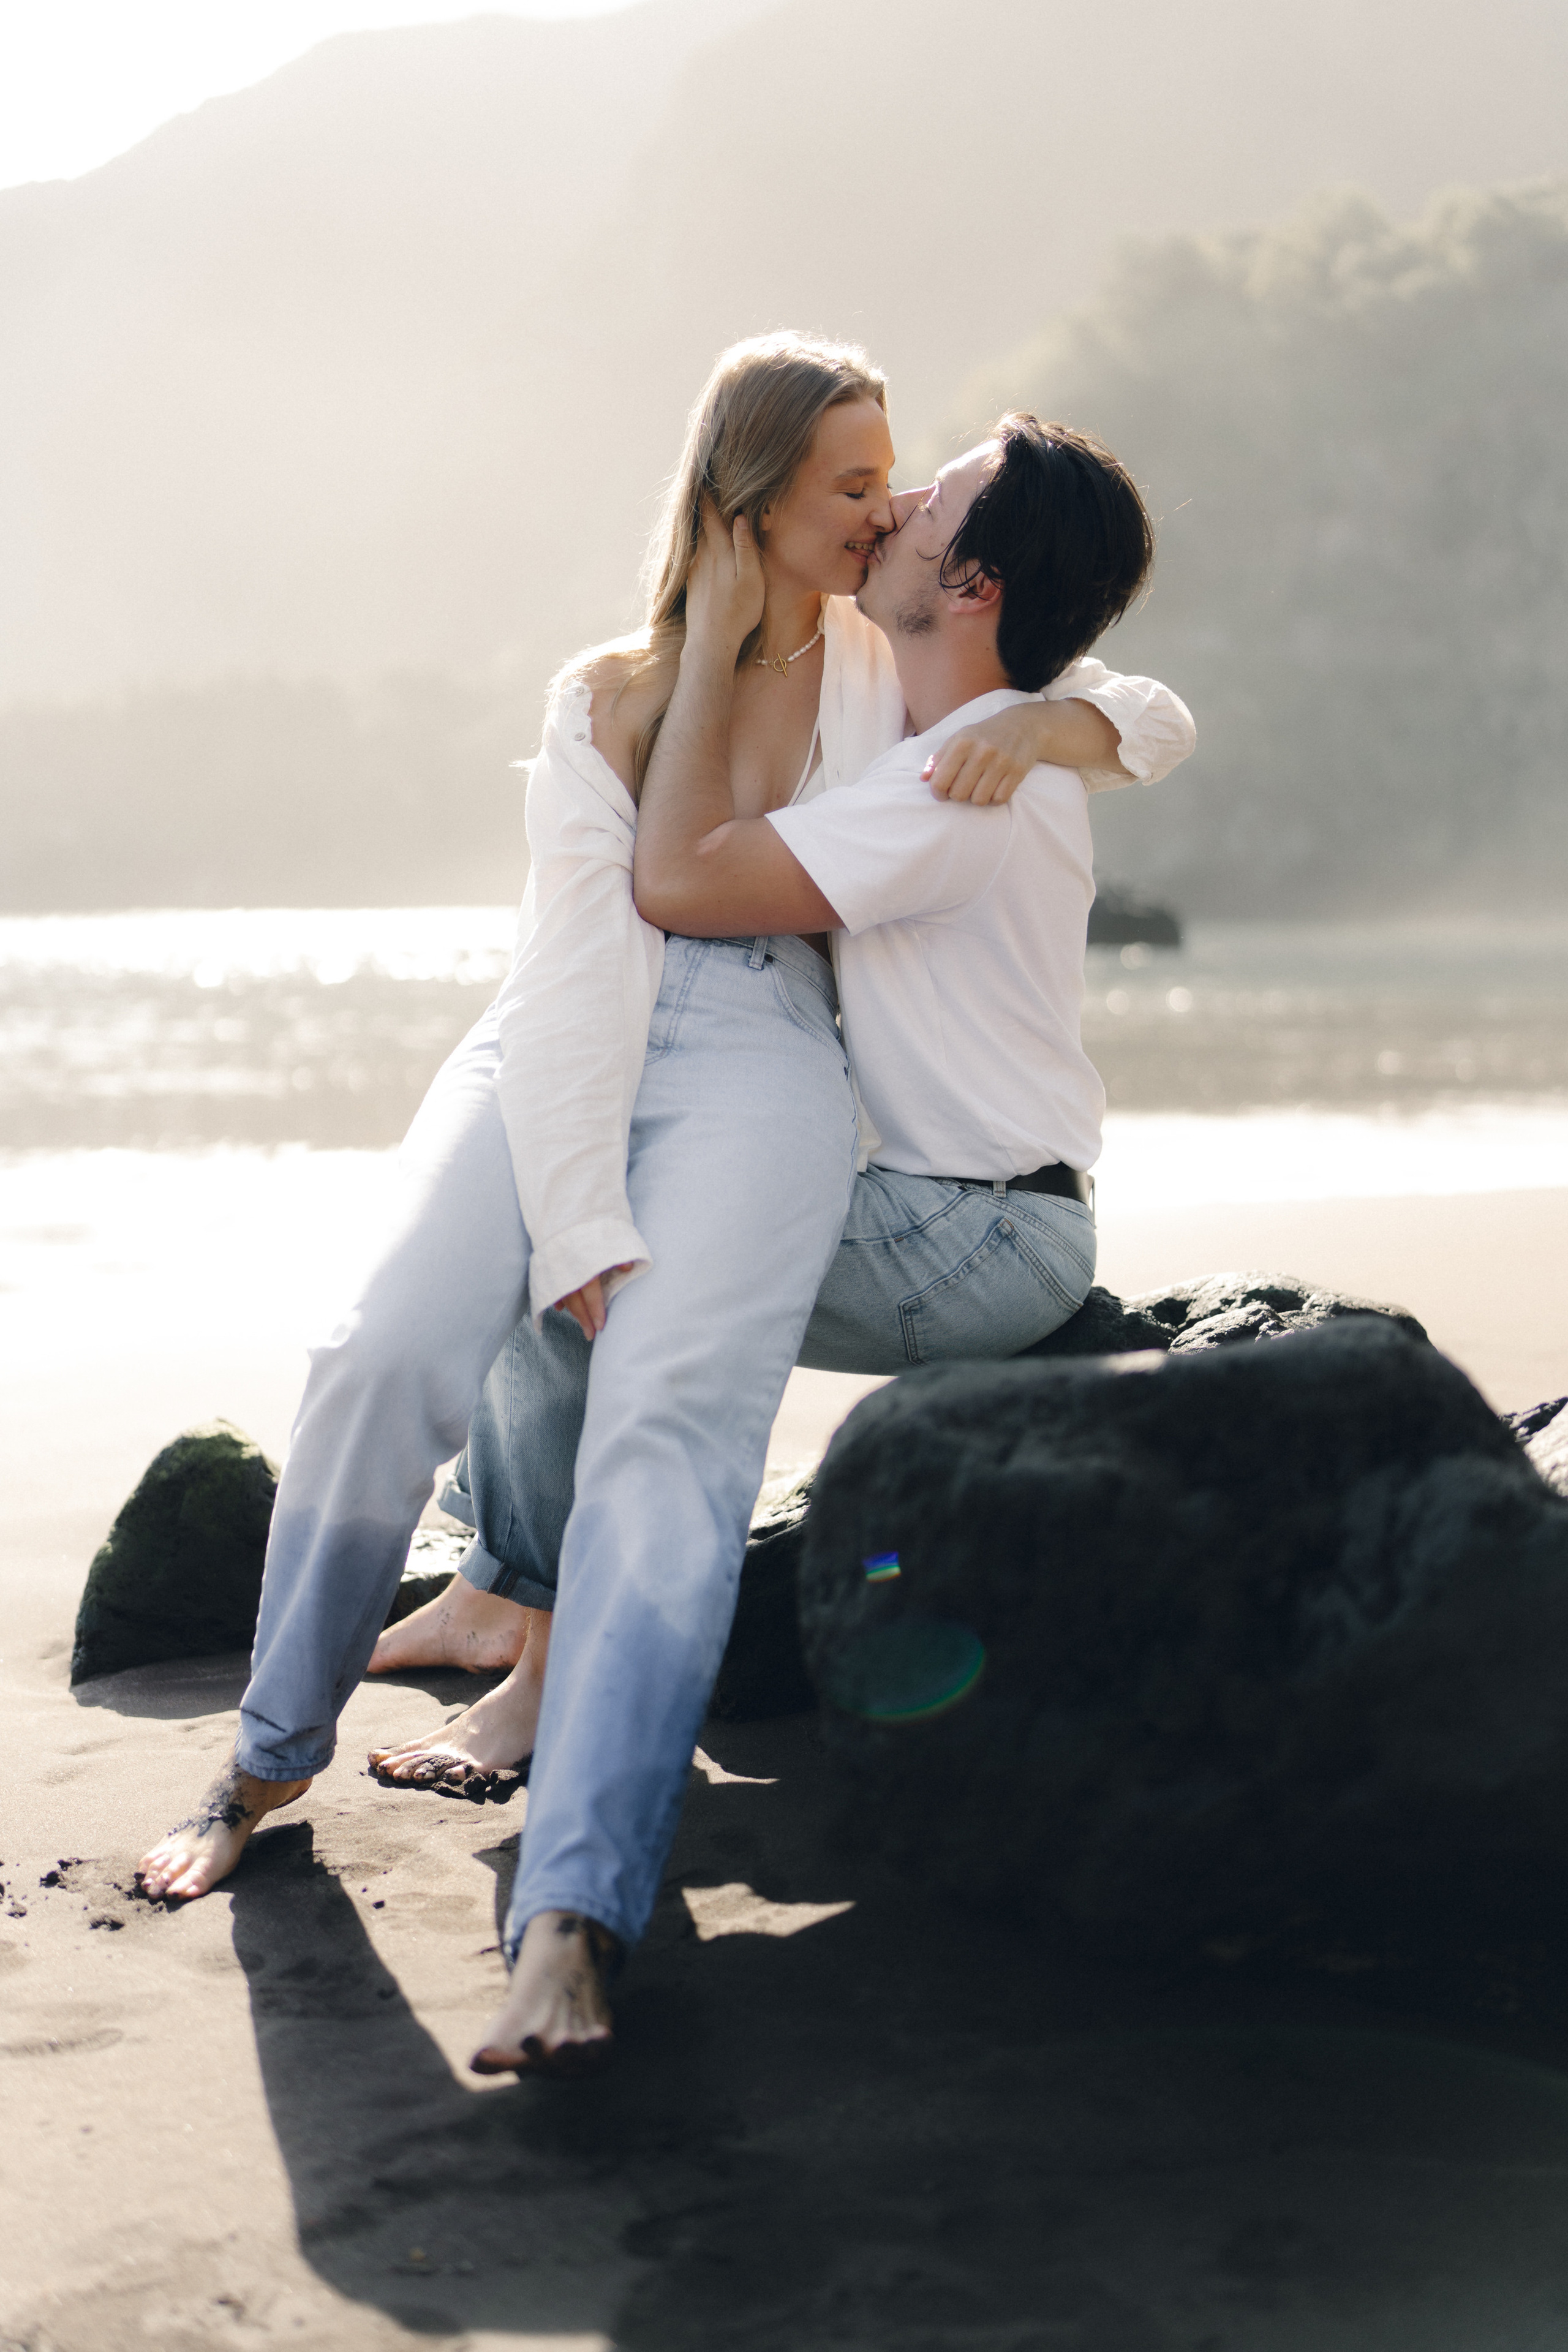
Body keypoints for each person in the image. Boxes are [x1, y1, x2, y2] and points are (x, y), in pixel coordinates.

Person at [133, 338, 1182, 2046]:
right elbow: (579, 974)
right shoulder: (602, 692)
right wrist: (574, 1201)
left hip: (770, 1056)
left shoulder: (879, 670)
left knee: (675, 1424)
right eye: (857, 482)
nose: (892, 506)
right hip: (561, 1037)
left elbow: (1096, 699)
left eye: (903, 484)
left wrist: (1084, 713)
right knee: (381, 1350)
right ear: (748, 498)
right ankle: (262, 1764)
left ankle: (578, 1904)